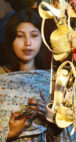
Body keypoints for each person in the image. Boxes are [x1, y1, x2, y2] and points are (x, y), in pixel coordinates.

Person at [0, 9, 61, 141]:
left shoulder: (53, 78)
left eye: (34, 35)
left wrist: (50, 116)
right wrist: (9, 133)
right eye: (20, 36)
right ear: (11, 39)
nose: (28, 43)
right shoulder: (1, 78)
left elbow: (69, 130)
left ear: (42, 38)